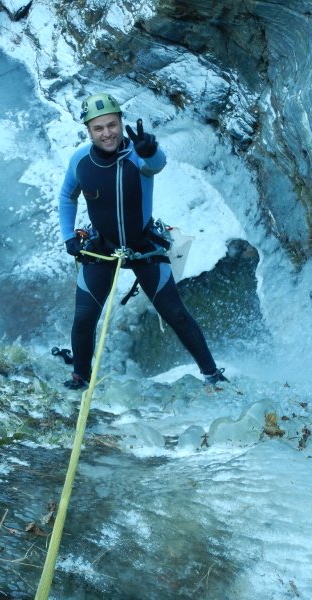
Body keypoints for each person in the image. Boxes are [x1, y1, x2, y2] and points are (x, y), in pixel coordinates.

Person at [58, 92, 227, 390]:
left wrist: (149, 150)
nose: (107, 133)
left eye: (111, 125)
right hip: (101, 247)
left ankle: (212, 374)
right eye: (98, 128)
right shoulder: (80, 161)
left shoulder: (138, 154)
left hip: (143, 244)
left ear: (121, 122)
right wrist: (69, 236)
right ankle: (80, 377)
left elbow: (157, 164)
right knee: (84, 317)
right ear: (88, 131)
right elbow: (66, 196)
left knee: (175, 313)